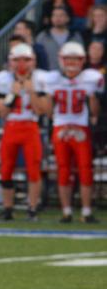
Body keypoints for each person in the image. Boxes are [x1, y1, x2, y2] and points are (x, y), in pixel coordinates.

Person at [0, 41, 50, 220]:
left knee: (34, 169)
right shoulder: (3, 79)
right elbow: (2, 111)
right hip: (11, 126)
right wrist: (14, 94)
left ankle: (32, 208)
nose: (22, 64)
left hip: (31, 126)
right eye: (18, 60)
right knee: (6, 169)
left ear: (33, 61)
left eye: (26, 59)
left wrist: (31, 92)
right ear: (11, 62)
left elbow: (43, 110)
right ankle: (8, 209)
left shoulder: (41, 78)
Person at [45, 41, 102, 221]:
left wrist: (92, 96)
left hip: (81, 127)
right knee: (63, 170)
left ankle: (86, 211)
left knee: (85, 169)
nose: (71, 62)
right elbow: (47, 111)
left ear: (82, 60)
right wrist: (47, 97)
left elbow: (95, 112)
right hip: (60, 127)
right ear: (61, 59)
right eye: (68, 58)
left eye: (75, 58)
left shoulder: (90, 78)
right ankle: (66, 211)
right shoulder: (52, 79)